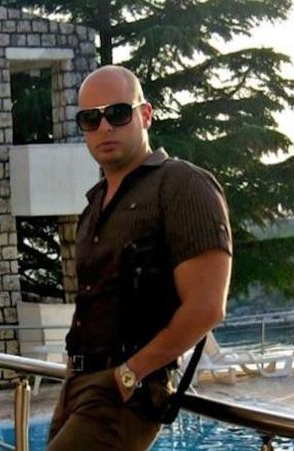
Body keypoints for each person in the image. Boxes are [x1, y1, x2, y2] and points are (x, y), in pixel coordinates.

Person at [46, 65, 233, 451]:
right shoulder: (94, 207)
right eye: (90, 119)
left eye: (118, 113)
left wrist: (129, 375)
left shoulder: (181, 184)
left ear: (145, 115)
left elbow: (207, 308)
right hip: (77, 387)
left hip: (127, 391)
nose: (104, 127)